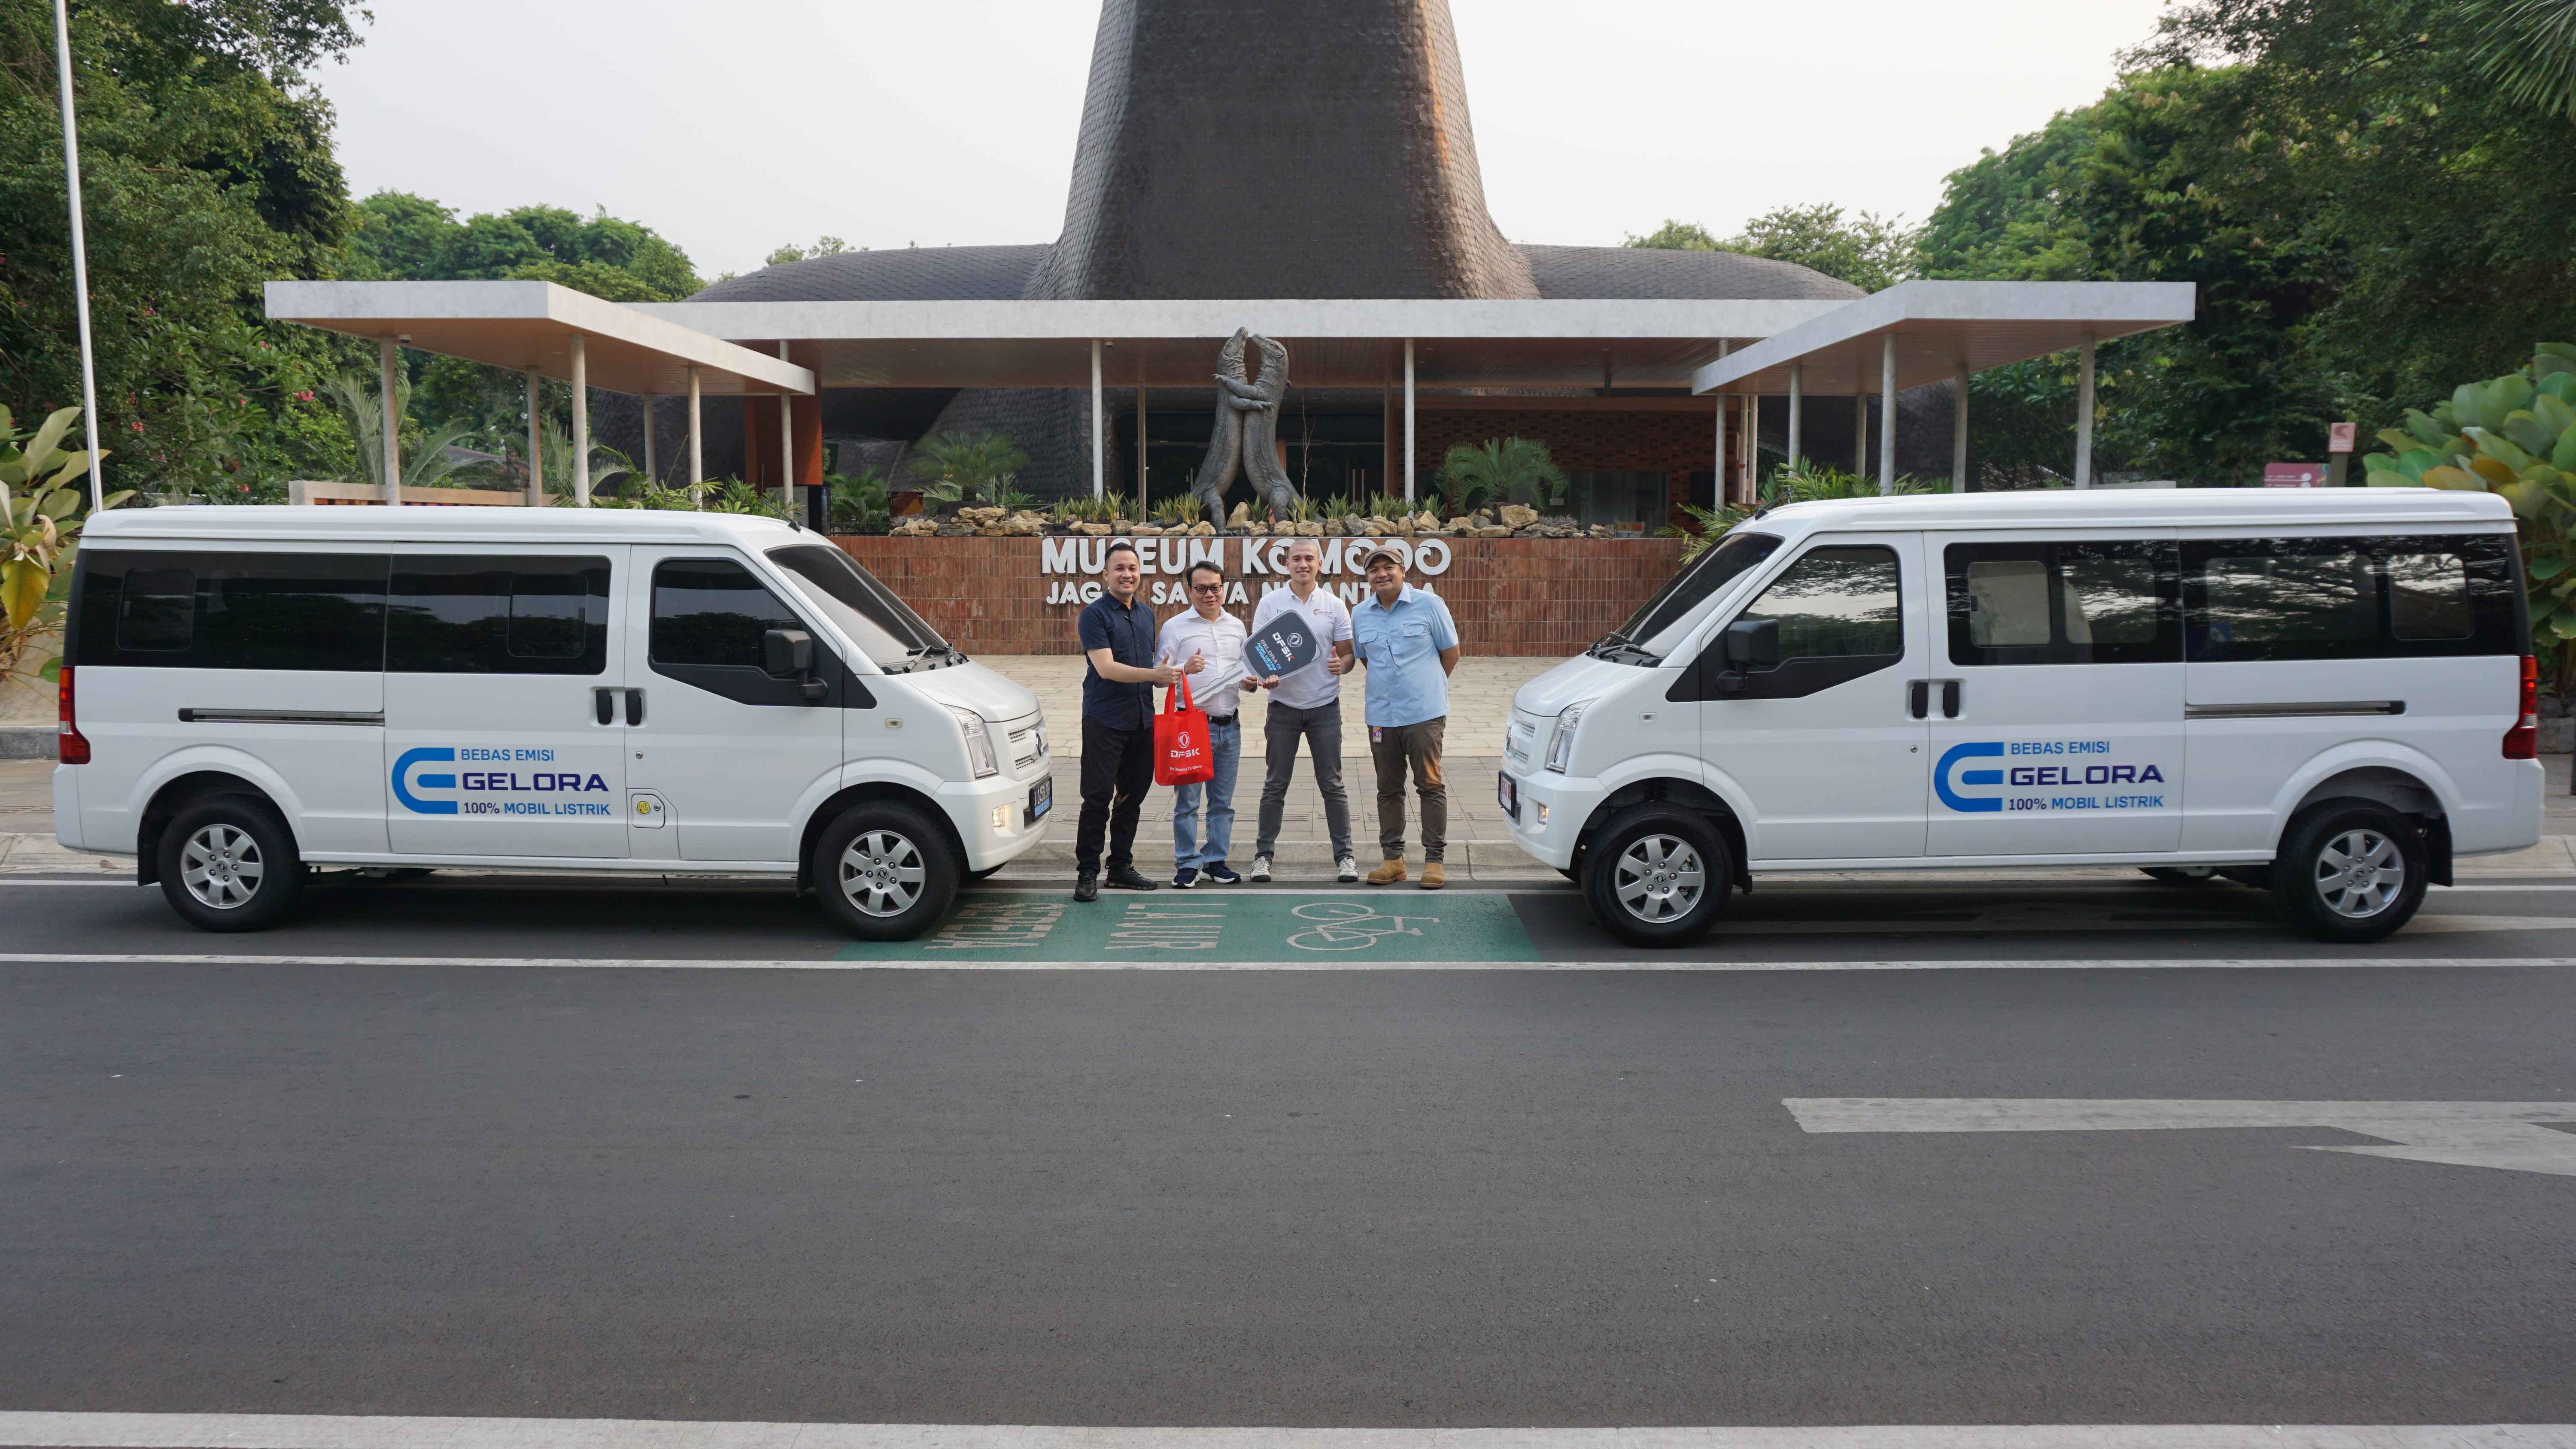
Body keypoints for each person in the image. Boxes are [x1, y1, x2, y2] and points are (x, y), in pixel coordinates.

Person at [1073, 540, 1189, 902]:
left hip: (1142, 721)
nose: (1127, 574)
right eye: (1120, 568)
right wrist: (1155, 676)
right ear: (1105, 574)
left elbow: (1156, 667)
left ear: (1141, 574)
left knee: (1131, 799)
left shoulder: (1145, 614)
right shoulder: (1094, 615)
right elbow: (1106, 669)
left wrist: (1177, 672)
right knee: (1097, 798)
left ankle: (1120, 866)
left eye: (1133, 569)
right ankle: (1087, 872)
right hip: (1104, 720)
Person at [1349, 542, 1460, 890]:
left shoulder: (1430, 605)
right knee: (1388, 788)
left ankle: (1434, 861)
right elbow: (1367, 660)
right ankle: (1393, 861)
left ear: (1402, 570)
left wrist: (1423, 689)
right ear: (1368, 577)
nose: (1382, 574)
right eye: (1374, 570)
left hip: (1424, 714)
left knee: (1429, 785)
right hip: (1381, 716)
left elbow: (1450, 654)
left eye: (1388, 568)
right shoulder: (1361, 613)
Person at [1247, 536, 1357, 883]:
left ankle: (1346, 857)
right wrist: (1266, 678)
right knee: (1275, 784)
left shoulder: (1335, 605)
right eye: (1297, 558)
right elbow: (1260, 655)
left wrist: (1346, 665)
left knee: (1333, 785)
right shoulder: (1270, 603)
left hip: (1325, 707)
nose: (1303, 564)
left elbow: (1348, 653)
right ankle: (1263, 857)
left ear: (1320, 564)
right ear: (1287, 564)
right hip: (1283, 708)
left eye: (1309, 558)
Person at [1157, 560, 1250, 887]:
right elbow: (1159, 677)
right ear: (1189, 591)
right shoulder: (1175, 627)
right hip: (1192, 729)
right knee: (1188, 802)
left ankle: (1215, 860)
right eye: (1201, 588)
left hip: (1231, 725)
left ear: (1224, 589)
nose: (1209, 594)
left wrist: (1250, 683)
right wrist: (1184, 667)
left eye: (1215, 588)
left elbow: (1241, 672)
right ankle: (1186, 862)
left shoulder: (1237, 626)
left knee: (1222, 803)